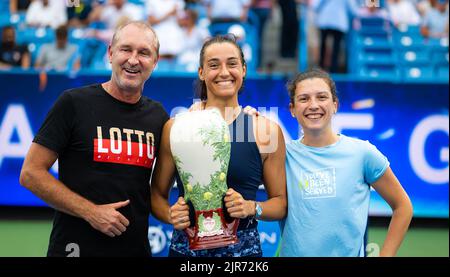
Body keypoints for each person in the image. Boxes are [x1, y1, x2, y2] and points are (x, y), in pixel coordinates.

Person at [19, 21, 168, 257]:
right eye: (126, 49)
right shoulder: (73, 103)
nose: (133, 60)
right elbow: (30, 173)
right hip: (74, 249)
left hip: (134, 250)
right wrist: (91, 211)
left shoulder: (158, 116)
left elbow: (163, 186)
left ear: (155, 61)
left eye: (143, 53)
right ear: (110, 53)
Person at [150, 35, 287, 257]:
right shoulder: (177, 128)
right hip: (186, 254)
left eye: (232, 64)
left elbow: (280, 203)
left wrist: (252, 208)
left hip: (244, 255)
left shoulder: (265, 131)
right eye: (214, 65)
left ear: (243, 70)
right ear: (201, 72)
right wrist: (170, 215)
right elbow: (156, 195)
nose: (224, 72)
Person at [279, 69, 413, 257]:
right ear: (292, 109)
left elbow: (403, 206)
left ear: (335, 105)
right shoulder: (282, 155)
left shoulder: (362, 153)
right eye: (304, 99)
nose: (313, 105)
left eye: (322, 97)